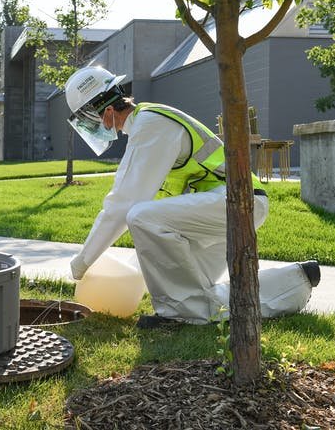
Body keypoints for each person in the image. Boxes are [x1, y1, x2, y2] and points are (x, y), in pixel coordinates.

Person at [63, 66, 320, 328]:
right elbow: (159, 214)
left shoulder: (150, 125)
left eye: (88, 121)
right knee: (198, 296)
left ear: (106, 112)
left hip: (234, 204)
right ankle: (297, 279)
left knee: (139, 217)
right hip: (227, 205)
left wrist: (82, 263)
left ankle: (178, 316)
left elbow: (123, 204)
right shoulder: (148, 123)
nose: (92, 129)